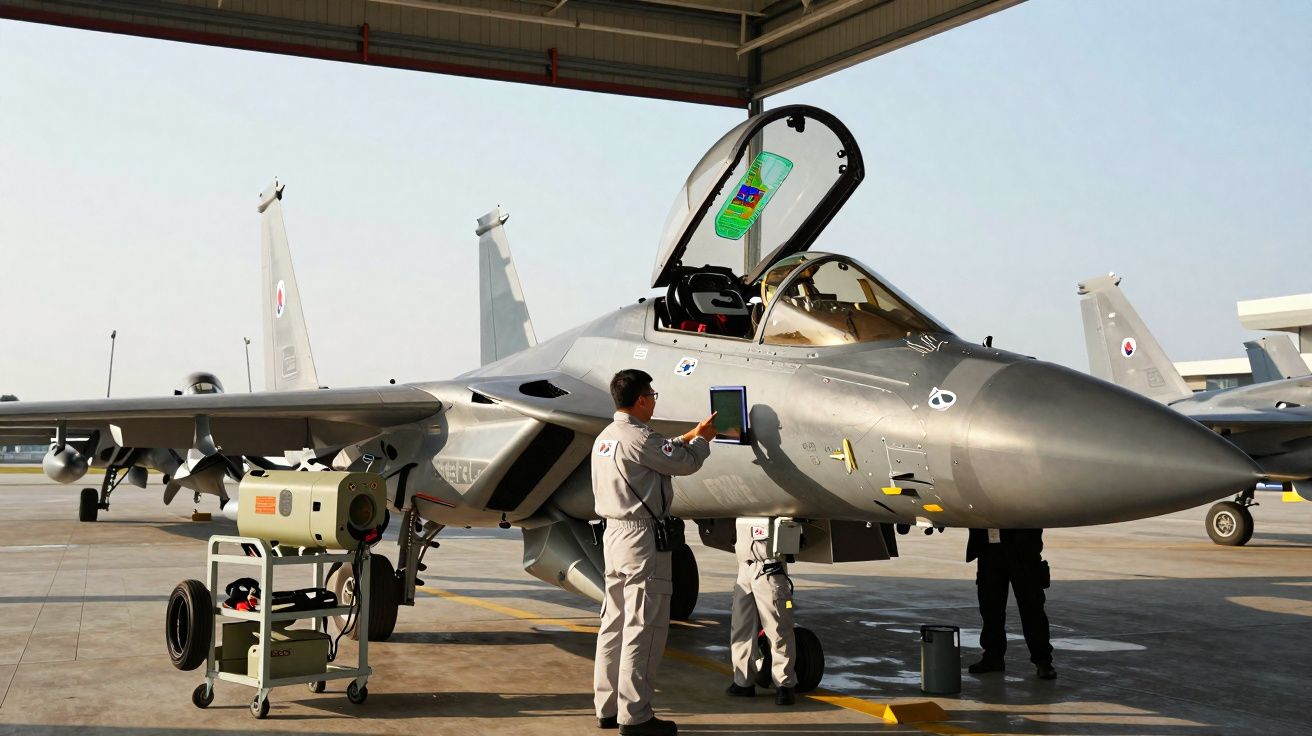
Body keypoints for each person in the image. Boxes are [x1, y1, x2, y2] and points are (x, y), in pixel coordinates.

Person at [592, 369, 717, 735]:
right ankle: (637, 716)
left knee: (613, 624)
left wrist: (689, 435)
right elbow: (684, 463)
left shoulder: (606, 437)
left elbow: (653, 452)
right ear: (642, 400)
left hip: (614, 537)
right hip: (642, 540)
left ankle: (608, 707)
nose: (654, 400)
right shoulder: (640, 436)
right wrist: (703, 441)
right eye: (653, 395)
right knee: (643, 628)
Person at [965, 528, 1056, 680]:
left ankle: (1043, 661)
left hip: (1022, 551)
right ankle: (993, 657)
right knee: (990, 608)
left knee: (1031, 608)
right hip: (989, 549)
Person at [725, 519, 797, 705]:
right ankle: (743, 682)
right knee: (741, 627)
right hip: (744, 568)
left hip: (769, 567)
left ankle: (784, 685)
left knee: (778, 629)